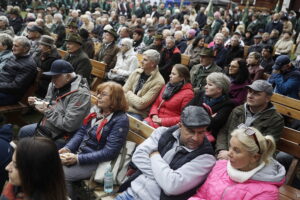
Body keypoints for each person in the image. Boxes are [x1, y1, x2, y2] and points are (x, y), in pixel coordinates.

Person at [116, 106, 216, 200]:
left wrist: (154, 156)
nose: (195, 138)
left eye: (201, 132)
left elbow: (172, 186)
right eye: (190, 131)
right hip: (130, 193)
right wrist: (164, 178)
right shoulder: (162, 132)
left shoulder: (206, 158)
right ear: (180, 125)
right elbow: (138, 156)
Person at [59, 82, 129, 199]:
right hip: (81, 154)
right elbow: (81, 132)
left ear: (114, 99)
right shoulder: (96, 110)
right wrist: (68, 148)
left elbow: (110, 152)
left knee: (61, 174)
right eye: (99, 94)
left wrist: (78, 158)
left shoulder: (120, 120)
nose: (99, 97)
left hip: (98, 162)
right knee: (49, 161)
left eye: (104, 94)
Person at [189, 126, 285, 200]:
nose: (229, 153)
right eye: (230, 146)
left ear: (254, 157)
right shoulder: (220, 166)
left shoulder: (267, 192)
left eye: (237, 150)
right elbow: (200, 195)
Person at [18, 60, 91, 148]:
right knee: (24, 131)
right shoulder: (55, 85)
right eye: (51, 76)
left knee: (35, 150)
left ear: (67, 76)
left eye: (55, 77)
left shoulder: (80, 94)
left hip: (61, 136)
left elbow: (69, 125)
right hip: (46, 126)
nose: (52, 80)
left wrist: (47, 111)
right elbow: (48, 102)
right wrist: (36, 102)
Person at [216, 80, 284, 160]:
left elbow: (265, 146)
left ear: (267, 99)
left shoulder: (275, 119)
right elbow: (224, 131)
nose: (250, 96)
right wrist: (222, 149)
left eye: (256, 94)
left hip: (252, 160)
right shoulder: (238, 110)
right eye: (249, 92)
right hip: (226, 153)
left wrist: (233, 155)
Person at [1, 137, 67, 200]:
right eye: (11, 161)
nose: (7, 168)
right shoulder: (15, 187)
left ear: (35, 173)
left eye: (16, 165)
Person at [188, 72, 235, 142]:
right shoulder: (201, 94)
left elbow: (214, 123)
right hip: (190, 129)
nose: (205, 87)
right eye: (206, 84)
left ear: (219, 89)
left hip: (207, 139)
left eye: (209, 85)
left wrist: (194, 113)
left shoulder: (228, 105)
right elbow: (186, 110)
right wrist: (208, 117)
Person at [123, 49, 165, 121]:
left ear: (152, 64)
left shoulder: (159, 81)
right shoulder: (137, 72)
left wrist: (129, 93)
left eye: (145, 60)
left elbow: (141, 104)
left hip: (138, 113)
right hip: (124, 106)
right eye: (142, 59)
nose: (141, 61)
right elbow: (123, 90)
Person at [0, 36, 37, 106]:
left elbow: (16, 86)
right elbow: (3, 72)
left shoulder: (29, 65)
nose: (13, 48)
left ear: (25, 49)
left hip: (10, 94)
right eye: (13, 45)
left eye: (16, 46)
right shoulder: (14, 56)